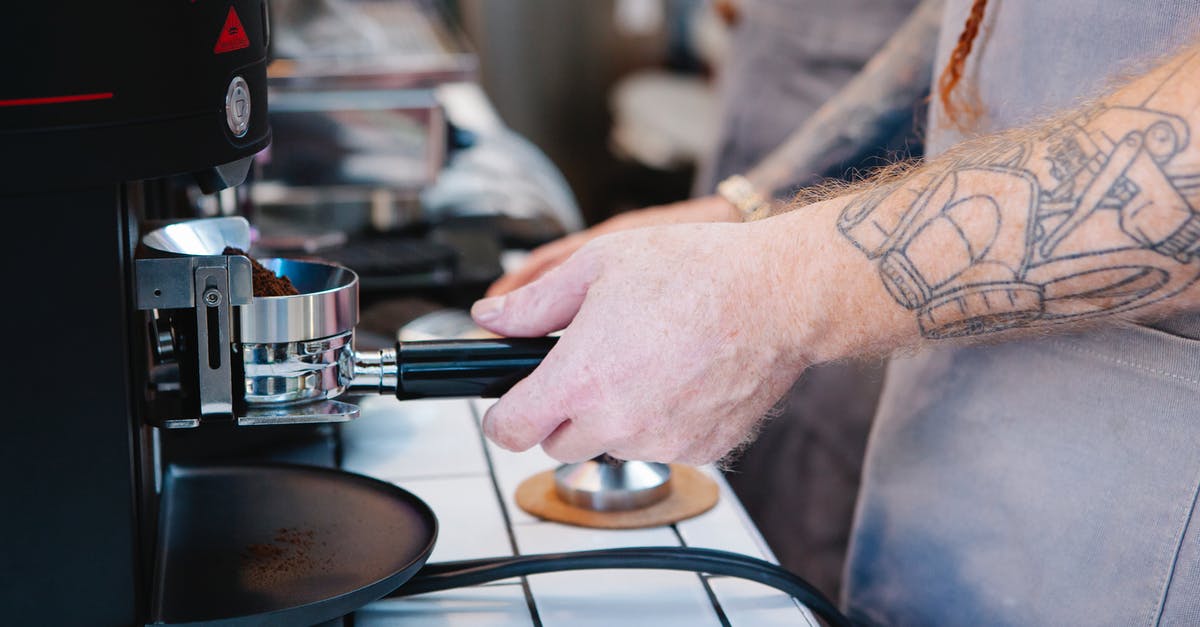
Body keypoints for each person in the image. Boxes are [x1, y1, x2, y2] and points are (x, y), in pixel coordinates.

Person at [474, 0, 1200, 623]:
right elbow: (978, 27)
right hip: (956, 478)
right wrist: (747, 209)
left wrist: (779, 289)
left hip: (1133, 527)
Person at [487, 0, 939, 600]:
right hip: (769, 128)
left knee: (807, 521)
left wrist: (773, 287)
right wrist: (738, 207)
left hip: (880, 239)